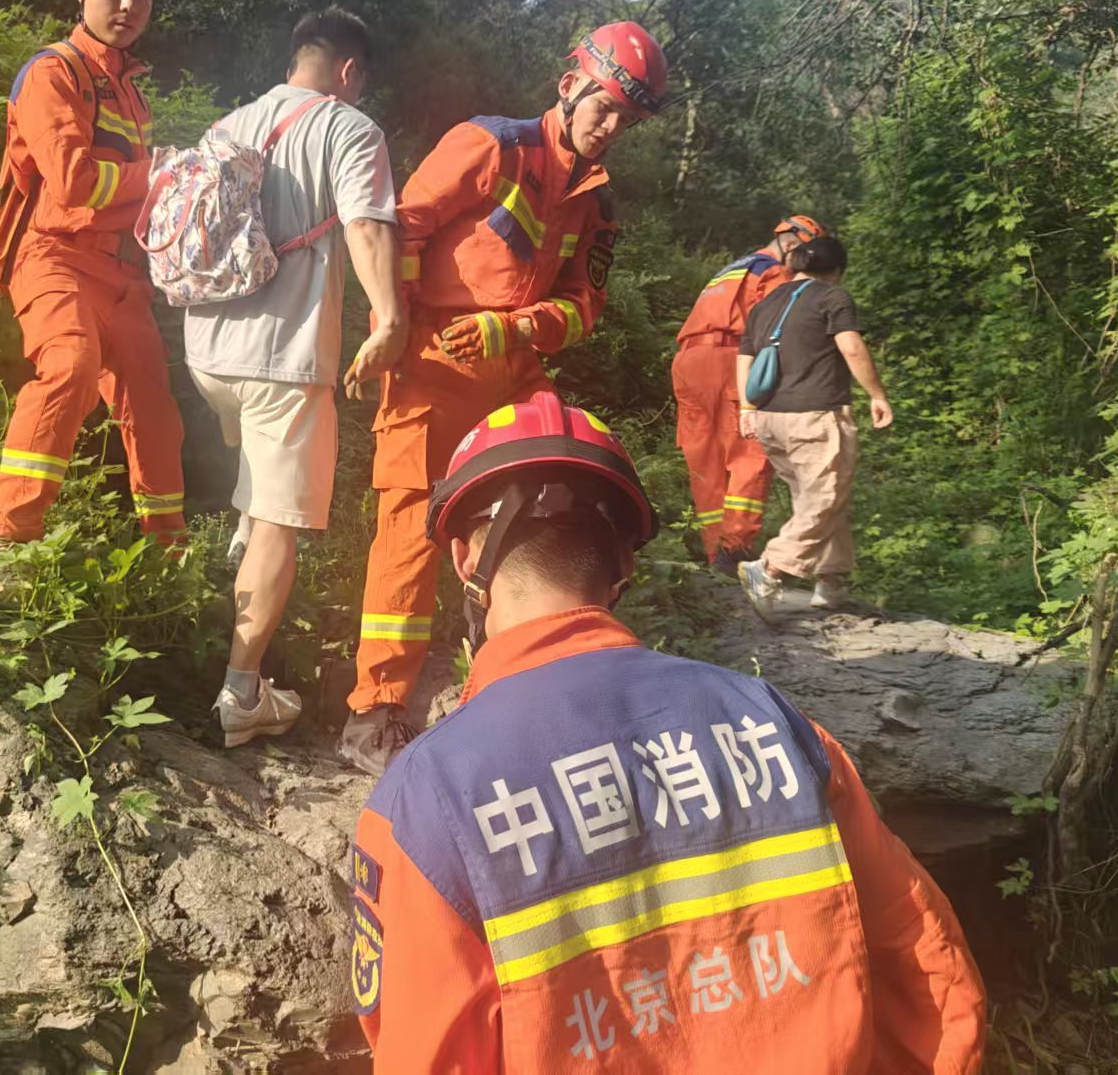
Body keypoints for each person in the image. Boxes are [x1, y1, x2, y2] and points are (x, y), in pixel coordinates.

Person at [349, 392, 986, 1073]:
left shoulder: (423, 802)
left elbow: (427, 1053)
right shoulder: (771, 723)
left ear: (464, 559)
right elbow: (932, 975)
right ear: (623, 564)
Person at [341, 21, 668, 774]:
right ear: (570, 87)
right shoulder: (491, 145)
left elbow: (583, 308)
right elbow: (401, 230)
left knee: (549, 507)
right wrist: (400, 325)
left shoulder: (599, 204)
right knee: (408, 528)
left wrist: (513, 328)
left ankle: (509, 676)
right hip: (429, 362)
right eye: (605, 107)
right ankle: (375, 709)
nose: (611, 127)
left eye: (627, 118)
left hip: (512, 369)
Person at [185, 8, 405, 748]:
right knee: (279, 517)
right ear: (349, 72)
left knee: (255, 495)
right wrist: (388, 318)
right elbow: (367, 225)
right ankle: (241, 691)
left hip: (207, 349)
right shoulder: (349, 128)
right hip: (282, 357)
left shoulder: (228, 126)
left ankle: (213, 596)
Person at [0, 0, 187, 554]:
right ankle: (8, 535)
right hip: (54, 258)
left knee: (154, 408)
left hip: (123, 274)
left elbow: (134, 194)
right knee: (69, 366)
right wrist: (159, 173)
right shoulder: (51, 72)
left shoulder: (131, 92)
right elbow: (72, 182)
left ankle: (167, 548)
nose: (128, 6)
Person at [736, 235, 892, 617]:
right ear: (836, 270)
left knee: (815, 498)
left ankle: (830, 580)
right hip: (816, 415)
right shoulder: (832, 296)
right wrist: (877, 394)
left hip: (771, 417)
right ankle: (770, 569)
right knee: (824, 497)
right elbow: (851, 346)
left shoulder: (766, 302)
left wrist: (745, 407)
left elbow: (744, 358)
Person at [673, 216, 829, 574]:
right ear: (792, 246)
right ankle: (735, 548)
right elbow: (778, 328)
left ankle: (716, 555)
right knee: (750, 454)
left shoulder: (732, 269)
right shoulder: (775, 274)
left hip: (688, 361)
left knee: (705, 462)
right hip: (731, 360)